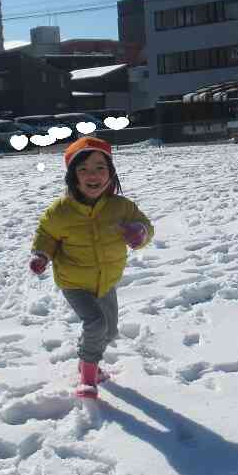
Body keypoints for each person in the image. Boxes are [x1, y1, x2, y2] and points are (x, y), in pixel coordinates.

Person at [29, 136, 154, 398]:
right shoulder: (61, 211)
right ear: (73, 177)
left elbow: (146, 226)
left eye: (100, 167)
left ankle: (88, 361)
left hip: (106, 280)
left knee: (109, 331)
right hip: (74, 281)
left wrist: (139, 233)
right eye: (83, 169)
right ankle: (87, 379)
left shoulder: (122, 207)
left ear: (110, 173)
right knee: (95, 324)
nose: (92, 175)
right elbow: (47, 234)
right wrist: (42, 255)